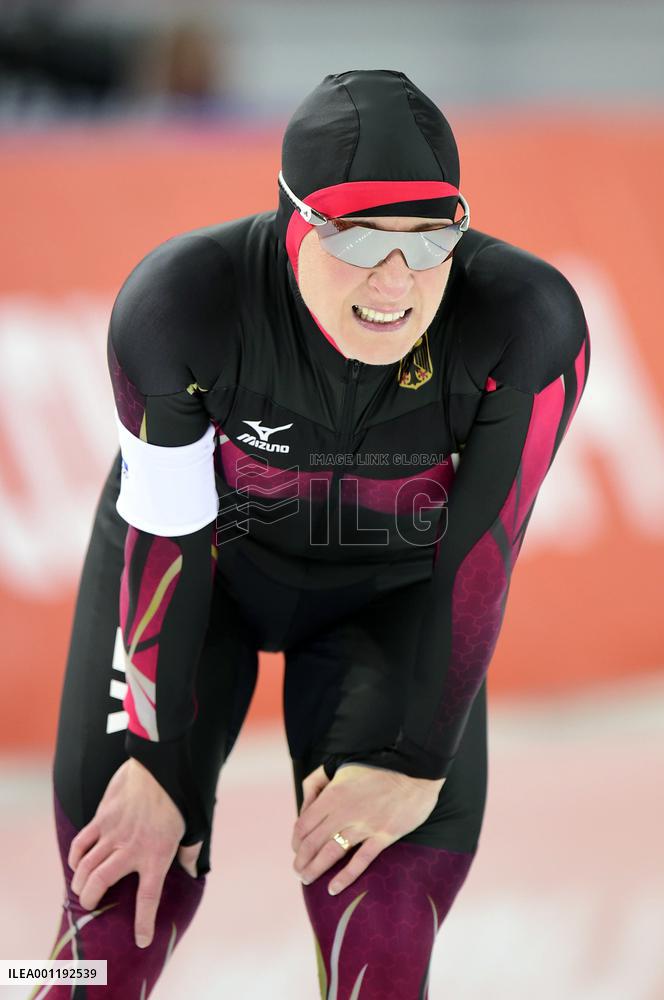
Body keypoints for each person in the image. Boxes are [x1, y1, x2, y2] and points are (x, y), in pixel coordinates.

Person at [47, 69, 590, 998]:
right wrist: (150, 752)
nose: (397, 282)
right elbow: (170, 539)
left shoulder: (524, 323)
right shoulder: (183, 305)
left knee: (384, 956)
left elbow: (483, 551)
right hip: (196, 586)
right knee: (105, 943)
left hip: (387, 608)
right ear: (296, 221)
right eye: (359, 239)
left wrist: (418, 761)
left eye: (430, 241)